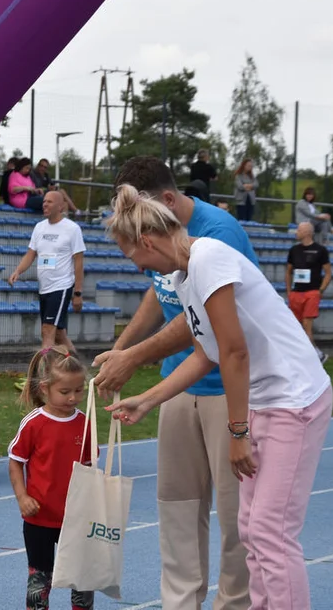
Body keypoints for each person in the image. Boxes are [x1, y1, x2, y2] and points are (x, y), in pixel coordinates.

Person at [103, 185, 333, 610]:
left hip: (295, 398)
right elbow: (206, 352)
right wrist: (148, 399)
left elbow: (234, 350)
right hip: (267, 399)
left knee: (271, 532)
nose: (134, 265)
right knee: (251, 527)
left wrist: (237, 432)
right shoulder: (182, 276)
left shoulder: (208, 257)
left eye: (130, 254)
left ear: (147, 241)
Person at [91, 156, 253, 610]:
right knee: (177, 505)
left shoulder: (218, 235)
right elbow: (159, 292)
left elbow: (200, 318)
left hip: (227, 386)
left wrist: (135, 358)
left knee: (239, 516)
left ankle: (235, 604)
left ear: (165, 200)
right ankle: (180, 604)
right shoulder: (156, 236)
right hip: (179, 384)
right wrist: (122, 348)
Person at [8, 345, 94, 610]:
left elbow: (89, 466)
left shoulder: (85, 422)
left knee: (82, 578)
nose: (73, 398)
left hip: (75, 518)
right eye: (65, 392)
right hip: (39, 518)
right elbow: (15, 462)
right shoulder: (34, 423)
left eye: (79, 390)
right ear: (45, 388)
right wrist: (22, 497)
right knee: (40, 577)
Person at [7, 191, 85, 352]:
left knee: (47, 331)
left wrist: (77, 293)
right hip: (44, 287)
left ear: (60, 206)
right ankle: (80, 372)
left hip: (61, 286)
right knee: (59, 335)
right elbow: (31, 254)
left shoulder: (72, 229)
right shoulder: (39, 227)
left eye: (49, 202)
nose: (44, 204)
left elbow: (78, 262)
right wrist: (18, 271)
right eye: (44, 202)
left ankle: (44, 374)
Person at [286, 222, 332, 364]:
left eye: (298, 230)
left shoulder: (320, 250)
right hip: (296, 293)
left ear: (307, 232)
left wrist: (320, 291)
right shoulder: (293, 250)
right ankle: (313, 355)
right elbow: (288, 272)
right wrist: (289, 292)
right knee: (295, 327)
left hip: (311, 292)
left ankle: (315, 356)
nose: (296, 232)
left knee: (307, 325)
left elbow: (328, 273)